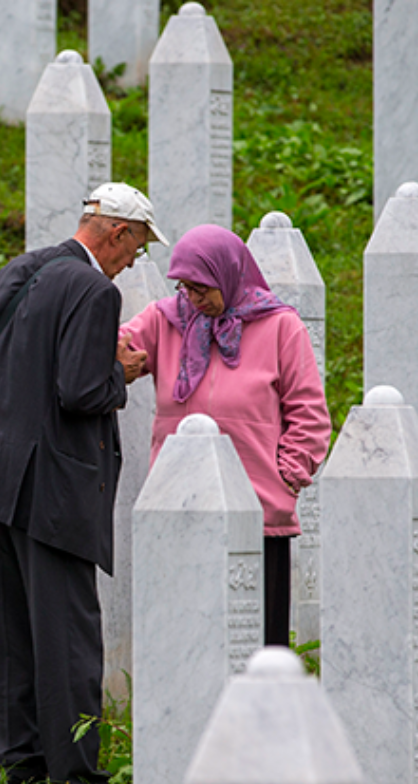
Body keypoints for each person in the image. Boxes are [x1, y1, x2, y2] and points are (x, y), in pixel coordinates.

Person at [0, 182, 162, 784]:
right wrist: (119, 373)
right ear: (117, 233)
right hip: (52, 490)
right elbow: (80, 392)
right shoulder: (97, 291)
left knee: (10, 628)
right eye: (137, 249)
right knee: (68, 635)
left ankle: (23, 767)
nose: (134, 263)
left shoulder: (22, 267)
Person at [119, 223, 331, 646]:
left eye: (202, 289)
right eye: (185, 288)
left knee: (254, 638)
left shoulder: (280, 327)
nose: (194, 300)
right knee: (186, 640)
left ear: (227, 275)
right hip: (180, 503)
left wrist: (285, 476)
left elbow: (309, 414)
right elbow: (114, 346)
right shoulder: (166, 321)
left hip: (259, 509)